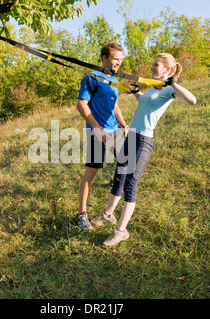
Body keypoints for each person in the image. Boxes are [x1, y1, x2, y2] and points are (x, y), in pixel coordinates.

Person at [90, 53, 197, 246]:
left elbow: (192, 101)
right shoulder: (153, 88)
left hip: (143, 140)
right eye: (153, 65)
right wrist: (136, 93)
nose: (152, 68)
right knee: (119, 176)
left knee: (130, 183)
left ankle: (120, 231)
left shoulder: (168, 90)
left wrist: (173, 83)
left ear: (168, 69)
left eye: (156, 65)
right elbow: (145, 104)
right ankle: (108, 215)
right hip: (131, 136)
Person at [75, 42, 129, 231]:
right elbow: (81, 104)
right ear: (104, 58)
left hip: (115, 131)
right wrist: (97, 128)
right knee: (91, 173)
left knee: (127, 165)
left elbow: (114, 105)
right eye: (115, 59)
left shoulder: (113, 79)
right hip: (97, 132)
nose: (118, 63)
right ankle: (81, 215)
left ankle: (109, 211)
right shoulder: (92, 77)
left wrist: (123, 124)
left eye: (120, 60)